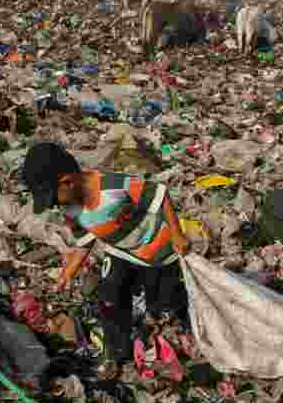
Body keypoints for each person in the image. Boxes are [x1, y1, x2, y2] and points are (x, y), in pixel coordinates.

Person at [20, 141, 190, 366]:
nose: (54, 206)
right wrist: (67, 274)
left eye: (53, 198)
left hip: (158, 253)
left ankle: (179, 334)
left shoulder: (112, 186)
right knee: (110, 297)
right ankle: (118, 353)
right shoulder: (70, 209)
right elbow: (84, 242)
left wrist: (177, 235)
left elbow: (160, 195)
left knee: (162, 307)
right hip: (121, 252)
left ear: (68, 182)